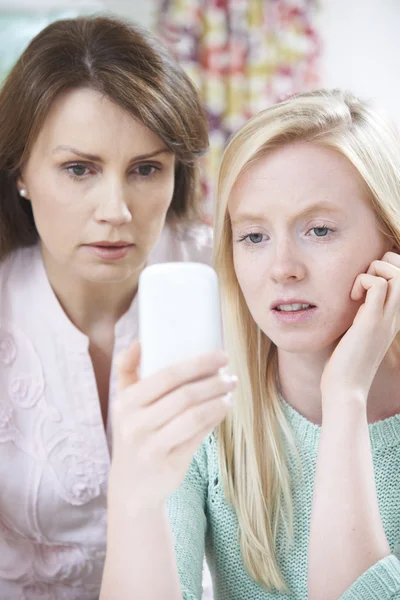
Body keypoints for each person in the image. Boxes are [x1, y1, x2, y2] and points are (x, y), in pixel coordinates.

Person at [102, 88, 400, 600]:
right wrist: (135, 499)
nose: (283, 268)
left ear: (390, 244)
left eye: (320, 230)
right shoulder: (209, 415)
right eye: (255, 237)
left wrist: (345, 396)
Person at [0, 14, 214, 599]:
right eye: (79, 169)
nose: (115, 210)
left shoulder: (229, 275)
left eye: (146, 169)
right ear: (20, 169)